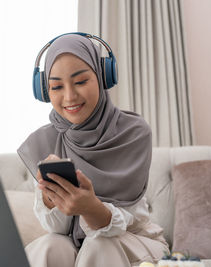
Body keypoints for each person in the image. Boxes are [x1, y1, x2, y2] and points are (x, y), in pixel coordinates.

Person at [17, 33, 168, 267]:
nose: (69, 96)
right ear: (45, 91)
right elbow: (59, 230)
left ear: (102, 76)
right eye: (56, 86)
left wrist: (91, 208)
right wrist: (50, 199)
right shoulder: (43, 141)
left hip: (134, 239)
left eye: (80, 82)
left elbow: (127, 220)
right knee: (50, 245)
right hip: (79, 244)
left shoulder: (133, 132)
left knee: (99, 243)